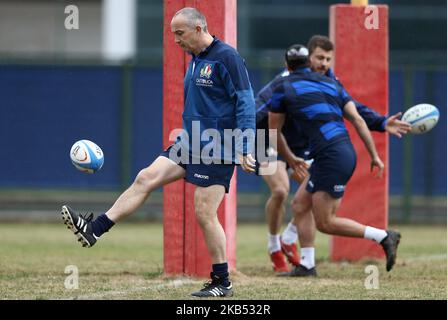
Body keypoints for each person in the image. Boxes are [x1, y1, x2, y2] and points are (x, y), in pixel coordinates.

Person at [60, 7, 256, 298]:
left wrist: (243, 147)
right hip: (191, 142)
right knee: (145, 178)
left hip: (218, 144)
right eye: (173, 33)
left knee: (204, 212)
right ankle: (95, 229)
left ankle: (222, 281)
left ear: (199, 29)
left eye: (180, 33)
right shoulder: (195, 59)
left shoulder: (226, 57)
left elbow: (245, 101)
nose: (176, 40)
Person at [256, 36, 411, 273]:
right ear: (308, 58)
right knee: (281, 190)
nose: (324, 63)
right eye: (319, 58)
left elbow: (355, 111)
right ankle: (275, 245)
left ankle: (299, 250)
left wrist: (380, 122)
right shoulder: (284, 83)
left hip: (308, 150)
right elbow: (261, 112)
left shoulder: (328, 81)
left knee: (307, 205)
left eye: (328, 59)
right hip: (268, 142)